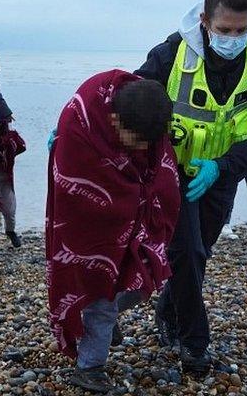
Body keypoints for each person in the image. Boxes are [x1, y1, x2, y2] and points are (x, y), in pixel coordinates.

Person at [134, 0, 247, 373]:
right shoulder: (169, 55)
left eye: (242, 29)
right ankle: (195, 344)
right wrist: (76, 123)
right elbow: (130, 99)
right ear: (205, 20)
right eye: (224, 29)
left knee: (200, 253)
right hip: (173, 173)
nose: (233, 39)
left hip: (221, 174)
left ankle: (168, 310)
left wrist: (223, 167)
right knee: (187, 250)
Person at [46, 70, 180, 393]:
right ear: (116, 120)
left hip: (134, 215)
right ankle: (89, 366)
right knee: (99, 288)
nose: (142, 148)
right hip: (88, 226)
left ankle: (98, 318)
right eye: (136, 141)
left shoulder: (149, 116)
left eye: (149, 143)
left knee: (144, 276)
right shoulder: (81, 118)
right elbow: (72, 186)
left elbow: (158, 172)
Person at [0, 119, 26, 249]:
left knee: (10, 210)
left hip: (5, 180)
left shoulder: (10, 138)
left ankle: (10, 231)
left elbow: (22, 146)